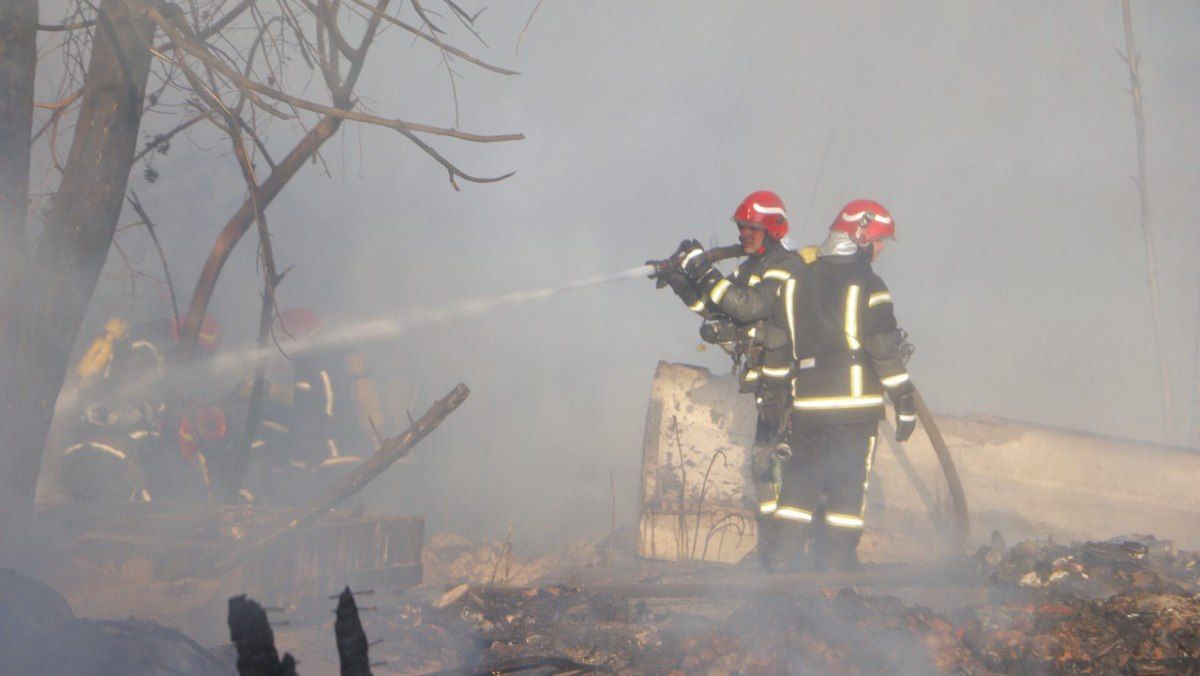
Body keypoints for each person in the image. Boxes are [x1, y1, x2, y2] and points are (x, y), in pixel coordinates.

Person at [657, 190, 813, 565]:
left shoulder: (786, 266)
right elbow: (718, 309)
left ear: (773, 228)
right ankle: (775, 549)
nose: (744, 235)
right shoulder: (750, 267)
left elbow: (748, 306)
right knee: (764, 467)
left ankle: (787, 553)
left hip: (792, 386)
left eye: (752, 229)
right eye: (742, 228)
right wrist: (683, 282)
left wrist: (704, 270)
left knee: (779, 466)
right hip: (767, 385)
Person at [770, 199, 916, 571]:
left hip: (806, 410)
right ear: (860, 238)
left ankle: (781, 569)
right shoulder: (869, 284)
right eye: (879, 241)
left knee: (797, 489)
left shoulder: (795, 282)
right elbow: (884, 350)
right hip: (853, 411)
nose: (880, 249)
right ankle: (836, 570)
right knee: (847, 492)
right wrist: (904, 401)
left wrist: (775, 404)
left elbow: (776, 347)